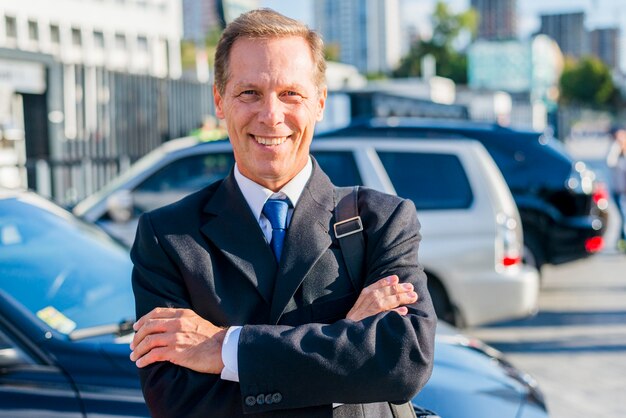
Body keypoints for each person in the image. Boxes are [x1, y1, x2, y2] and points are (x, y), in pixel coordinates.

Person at [129, 8, 436, 418]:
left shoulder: (383, 221)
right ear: (220, 101)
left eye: (291, 93)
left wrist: (225, 348)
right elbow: (177, 402)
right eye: (249, 93)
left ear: (320, 102)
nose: (271, 115)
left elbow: (404, 362)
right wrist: (348, 345)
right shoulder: (167, 237)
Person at [607, 126, 626, 250]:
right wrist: (616, 146)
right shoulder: (615, 152)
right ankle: (622, 241)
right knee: (623, 217)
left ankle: (622, 241)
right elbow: (610, 161)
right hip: (619, 192)